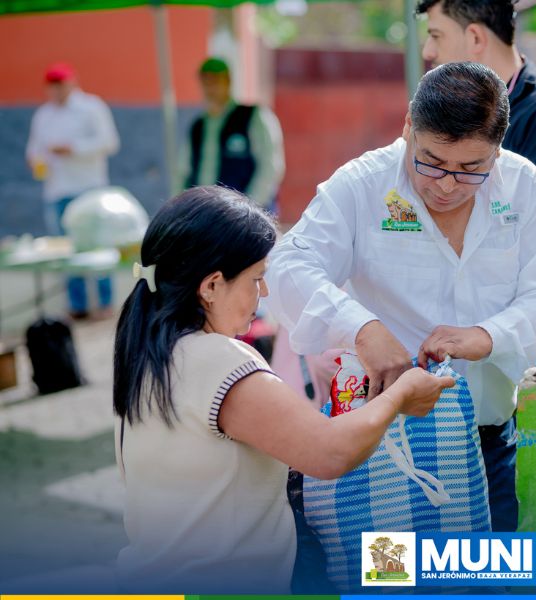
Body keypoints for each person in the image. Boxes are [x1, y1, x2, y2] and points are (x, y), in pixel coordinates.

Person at [265, 62, 536, 539]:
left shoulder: (522, 186)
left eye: (471, 169)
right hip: (386, 449)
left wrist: (488, 336)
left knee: (488, 571)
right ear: (409, 126)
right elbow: (288, 265)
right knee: (394, 573)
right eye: (431, 161)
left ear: (498, 150)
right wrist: (361, 328)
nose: (447, 184)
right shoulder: (364, 185)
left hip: (491, 444)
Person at [112, 186, 453, 593]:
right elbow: (329, 453)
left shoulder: (148, 355)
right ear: (212, 286)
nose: (265, 293)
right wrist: (400, 394)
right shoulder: (219, 360)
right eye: (257, 278)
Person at [417, 0, 536, 362]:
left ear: (475, 37)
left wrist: (489, 335)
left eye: (437, 35)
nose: (428, 51)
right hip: (462, 345)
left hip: (529, 350)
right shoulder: (450, 116)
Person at [26, 62, 120, 320]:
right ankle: (77, 304)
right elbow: (34, 148)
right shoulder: (43, 114)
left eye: (61, 84)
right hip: (57, 188)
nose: (57, 90)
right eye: (52, 86)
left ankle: (105, 302)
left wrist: (73, 148)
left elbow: (109, 142)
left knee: (98, 244)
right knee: (67, 249)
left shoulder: (91, 107)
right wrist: (36, 160)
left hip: (89, 186)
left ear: (72, 83)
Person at [177, 58, 285, 209]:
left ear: (228, 81)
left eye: (215, 80)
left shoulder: (253, 117)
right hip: (205, 213)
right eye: (206, 81)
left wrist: (249, 208)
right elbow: (183, 171)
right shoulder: (198, 126)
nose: (211, 87)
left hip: (247, 213)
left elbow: (270, 167)